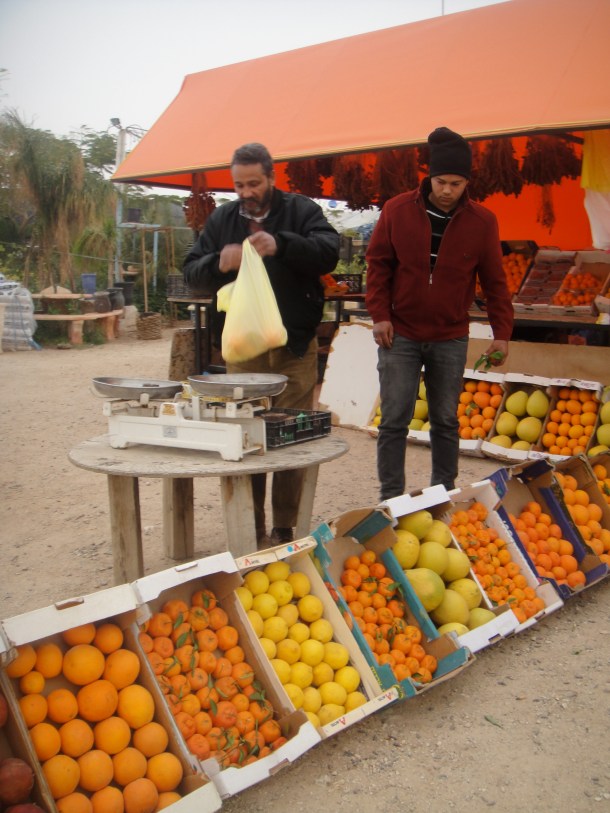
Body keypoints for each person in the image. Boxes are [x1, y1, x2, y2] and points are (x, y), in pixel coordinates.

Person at [183, 142, 340, 547]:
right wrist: (220, 260)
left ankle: (285, 525)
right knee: (245, 436)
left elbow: (329, 252)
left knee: (291, 435)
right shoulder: (221, 221)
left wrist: (283, 244)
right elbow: (192, 273)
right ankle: (250, 525)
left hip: (294, 346)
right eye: (239, 185)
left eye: (254, 183)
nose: (246, 192)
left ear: (272, 178)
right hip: (243, 353)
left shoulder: (301, 211)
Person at [365, 126, 514, 500]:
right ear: (429, 177)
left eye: (456, 183)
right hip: (399, 333)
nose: (447, 190)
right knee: (394, 419)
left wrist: (502, 333)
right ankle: (391, 498)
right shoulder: (397, 210)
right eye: (441, 181)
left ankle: (443, 493)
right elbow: (378, 265)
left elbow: (495, 281)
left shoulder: (483, 222)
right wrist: (380, 313)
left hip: (450, 335)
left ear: (467, 183)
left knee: (446, 421)